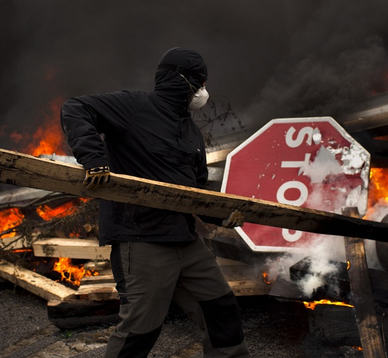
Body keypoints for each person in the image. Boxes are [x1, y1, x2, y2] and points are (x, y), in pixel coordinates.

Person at [60, 47, 249, 358]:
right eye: (199, 83)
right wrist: (94, 158)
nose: (203, 92)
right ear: (180, 80)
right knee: (141, 328)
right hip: (142, 240)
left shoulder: (190, 130)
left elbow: (195, 188)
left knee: (221, 310)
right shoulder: (134, 106)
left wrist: (221, 216)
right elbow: (76, 108)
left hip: (185, 240)